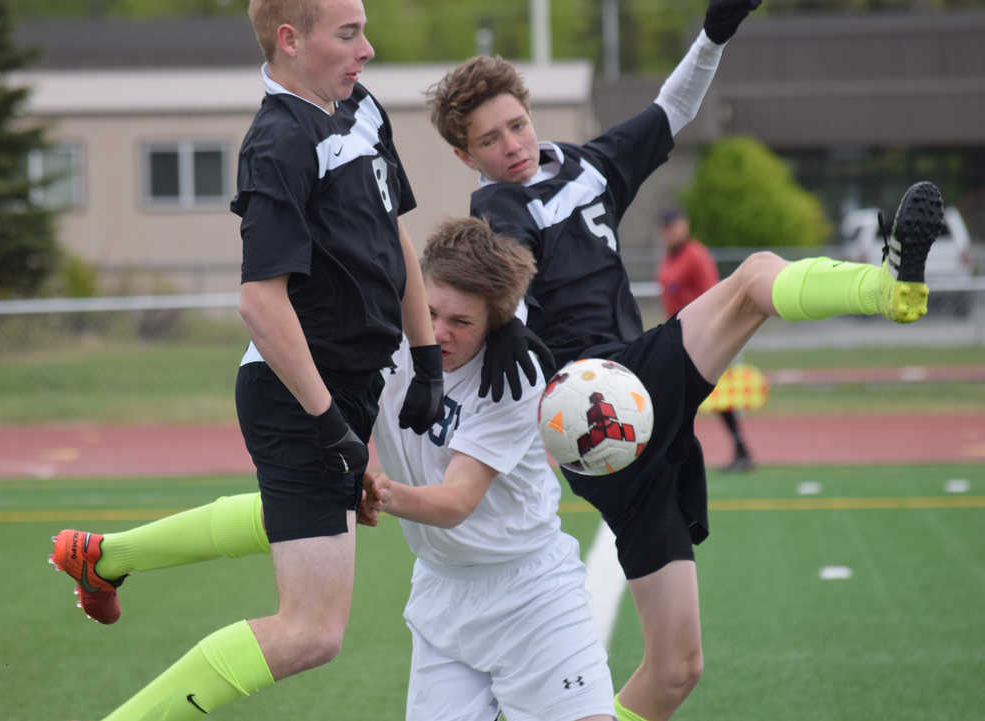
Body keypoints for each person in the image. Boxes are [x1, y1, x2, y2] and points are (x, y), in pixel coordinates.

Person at [425, 4, 946, 719]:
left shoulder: (589, 166)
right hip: (600, 399)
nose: (512, 145)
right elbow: (502, 279)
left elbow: (671, 109)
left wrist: (714, 33)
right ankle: (887, 289)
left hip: (625, 427)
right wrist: (504, 328)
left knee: (675, 669)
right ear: (465, 157)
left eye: (517, 124)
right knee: (755, 278)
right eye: (489, 139)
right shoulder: (498, 212)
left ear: (530, 114)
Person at [47, 1, 445, 718]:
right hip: (298, 396)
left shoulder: (361, 108)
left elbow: (395, 239)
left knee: (304, 520)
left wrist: (426, 359)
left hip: (350, 387)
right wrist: (334, 431)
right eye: (349, 33)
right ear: (291, 41)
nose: (370, 49)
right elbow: (260, 304)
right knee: (311, 631)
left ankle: (102, 556)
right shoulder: (278, 142)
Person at [361, 215, 616, 721]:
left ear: (495, 324)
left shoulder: (514, 375)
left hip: (531, 593)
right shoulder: (381, 340)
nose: (438, 333)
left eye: (462, 323)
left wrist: (376, 492)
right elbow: (382, 228)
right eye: (430, 311)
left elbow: (456, 501)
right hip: (442, 594)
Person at [656, 205, 755, 472]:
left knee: (710, 396)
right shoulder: (669, 258)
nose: (671, 231)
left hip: (702, 337)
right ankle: (679, 454)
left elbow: (714, 292)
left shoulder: (695, 255)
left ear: (684, 225)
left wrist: (715, 333)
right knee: (683, 397)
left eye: (675, 224)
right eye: (666, 226)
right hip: (679, 338)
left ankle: (738, 450)